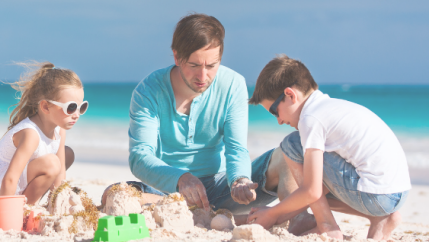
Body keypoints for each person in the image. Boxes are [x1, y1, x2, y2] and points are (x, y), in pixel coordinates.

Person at [105, 13, 306, 228]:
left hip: (221, 188)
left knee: (287, 155)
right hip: (169, 192)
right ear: (176, 57)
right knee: (115, 193)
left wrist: (240, 180)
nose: (203, 77)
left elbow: (236, 148)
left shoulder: (233, 85)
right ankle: (208, 216)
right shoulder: (148, 92)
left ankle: (297, 220)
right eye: (194, 65)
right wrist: (182, 178)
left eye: (211, 66)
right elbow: (140, 157)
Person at [246, 55, 411, 240]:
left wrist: (272, 213)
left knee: (291, 145)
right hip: (397, 193)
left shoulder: (311, 119)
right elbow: (318, 193)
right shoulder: (331, 107)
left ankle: (327, 226)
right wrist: (282, 212)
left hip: (374, 195)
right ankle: (380, 218)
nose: (279, 121)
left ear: (290, 95)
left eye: (274, 111)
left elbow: (312, 191)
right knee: (315, 181)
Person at [0, 62, 83, 223]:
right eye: (71, 107)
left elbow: (60, 176)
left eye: (81, 107)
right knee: (52, 163)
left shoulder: (60, 130)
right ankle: (23, 213)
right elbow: (10, 179)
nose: (77, 114)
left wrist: (59, 203)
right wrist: (7, 219)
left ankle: (33, 206)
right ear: (45, 106)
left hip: (12, 190)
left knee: (67, 154)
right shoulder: (30, 134)